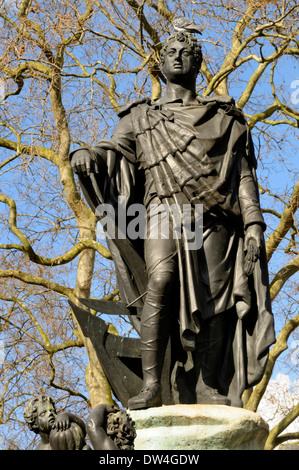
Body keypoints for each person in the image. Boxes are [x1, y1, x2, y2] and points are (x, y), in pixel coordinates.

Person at [70, 31, 275, 409]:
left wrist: (254, 223)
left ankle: (207, 385)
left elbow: (244, 177)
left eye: (187, 53)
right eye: (172, 52)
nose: (178, 57)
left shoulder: (224, 119)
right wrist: (88, 154)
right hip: (162, 209)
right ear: (161, 63)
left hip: (215, 217)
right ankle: (152, 385)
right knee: (160, 282)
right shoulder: (140, 117)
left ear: (198, 63)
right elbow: (113, 151)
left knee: (217, 300)